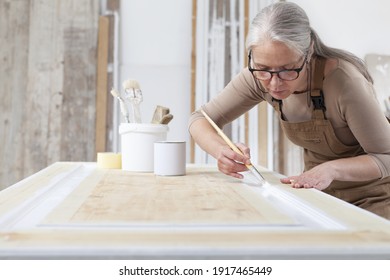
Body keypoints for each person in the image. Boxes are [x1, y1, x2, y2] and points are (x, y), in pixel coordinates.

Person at [188, 2, 390, 219]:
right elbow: (200, 119)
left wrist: (332, 170)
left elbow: (385, 156)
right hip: (320, 196)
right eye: (264, 70)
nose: (274, 84)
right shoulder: (257, 77)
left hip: (376, 198)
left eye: (287, 70)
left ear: (309, 51)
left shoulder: (345, 82)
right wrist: (221, 151)